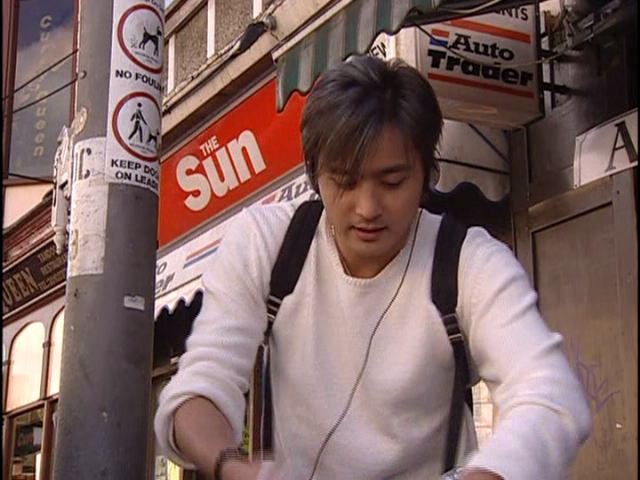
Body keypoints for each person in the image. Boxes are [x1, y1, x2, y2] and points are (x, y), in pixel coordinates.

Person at [154, 55, 592, 480]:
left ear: (427, 173)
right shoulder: (267, 243)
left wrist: (489, 473)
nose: (367, 208)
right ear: (314, 173)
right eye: (345, 181)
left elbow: (549, 397)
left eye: (392, 182)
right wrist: (231, 466)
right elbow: (199, 388)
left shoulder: (468, 261)